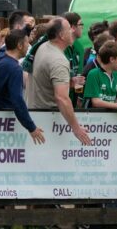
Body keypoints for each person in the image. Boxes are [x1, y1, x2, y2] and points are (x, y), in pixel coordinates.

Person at [28, 17, 91, 145]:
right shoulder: (59, 60)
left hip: (38, 114)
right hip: (49, 121)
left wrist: (69, 83)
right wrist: (76, 128)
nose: (72, 30)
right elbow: (62, 98)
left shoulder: (43, 46)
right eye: (69, 29)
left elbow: (46, 80)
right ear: (61, 35)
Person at [0, 29, 45, 144]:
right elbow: (17, 100)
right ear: (19, 45)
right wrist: (31, 127)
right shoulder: (14, 68)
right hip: (4, 122)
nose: (28, 46)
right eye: (26, 43)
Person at [83, 41, 117, 111]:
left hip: (109, 119)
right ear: (112, 59)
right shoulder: (93, 74)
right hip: (93, 119)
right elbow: (96, 102)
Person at [62, 12, 85, 108]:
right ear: (72, 27)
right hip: (61, 96)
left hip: (74, 98)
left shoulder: (79, 46)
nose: (82, 27)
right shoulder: (61, 45)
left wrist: (79, 96)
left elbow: (79, 73)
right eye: (81, 24)